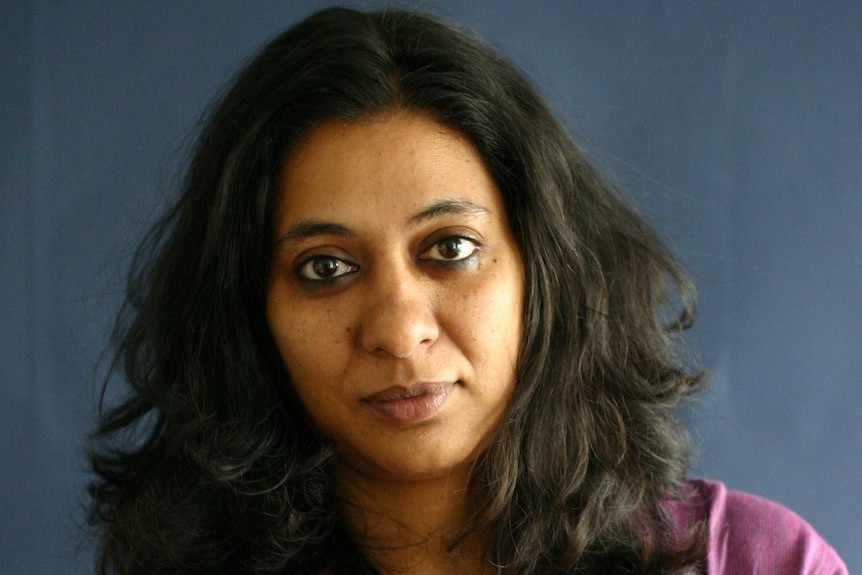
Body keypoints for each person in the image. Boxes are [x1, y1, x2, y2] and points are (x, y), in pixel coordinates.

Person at [86, 6, 847, 575]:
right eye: (326, 267)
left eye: (450, 249)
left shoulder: (749, 560)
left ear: (542, 271)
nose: (398, 326)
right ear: (250, 311)